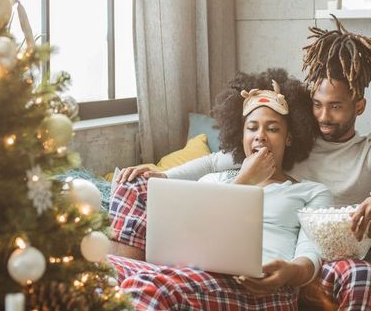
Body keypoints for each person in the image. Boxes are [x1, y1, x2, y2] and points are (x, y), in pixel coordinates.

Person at [116, 17, 371, 311]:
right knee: (136, 188)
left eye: (335, 107)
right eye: (317, 104)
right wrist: (162, 175)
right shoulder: (288, 144)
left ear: (359, 105)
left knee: (361, 272)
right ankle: (126, 275)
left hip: (317, 257)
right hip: (222, 260)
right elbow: (218, 159)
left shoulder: (370, 153)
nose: (323, 116)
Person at [108, 71, 334, 310]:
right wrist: (245, 181)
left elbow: (310, 257)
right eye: (252, 128)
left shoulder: (310, 192)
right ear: (241, 135)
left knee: (148, 284)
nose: (260, 136)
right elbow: (192, 235)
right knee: (102, 271)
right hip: (194, 276)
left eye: (273, 129)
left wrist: (290, 271)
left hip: (262, 290)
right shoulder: (213, 181)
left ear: (288, 138)